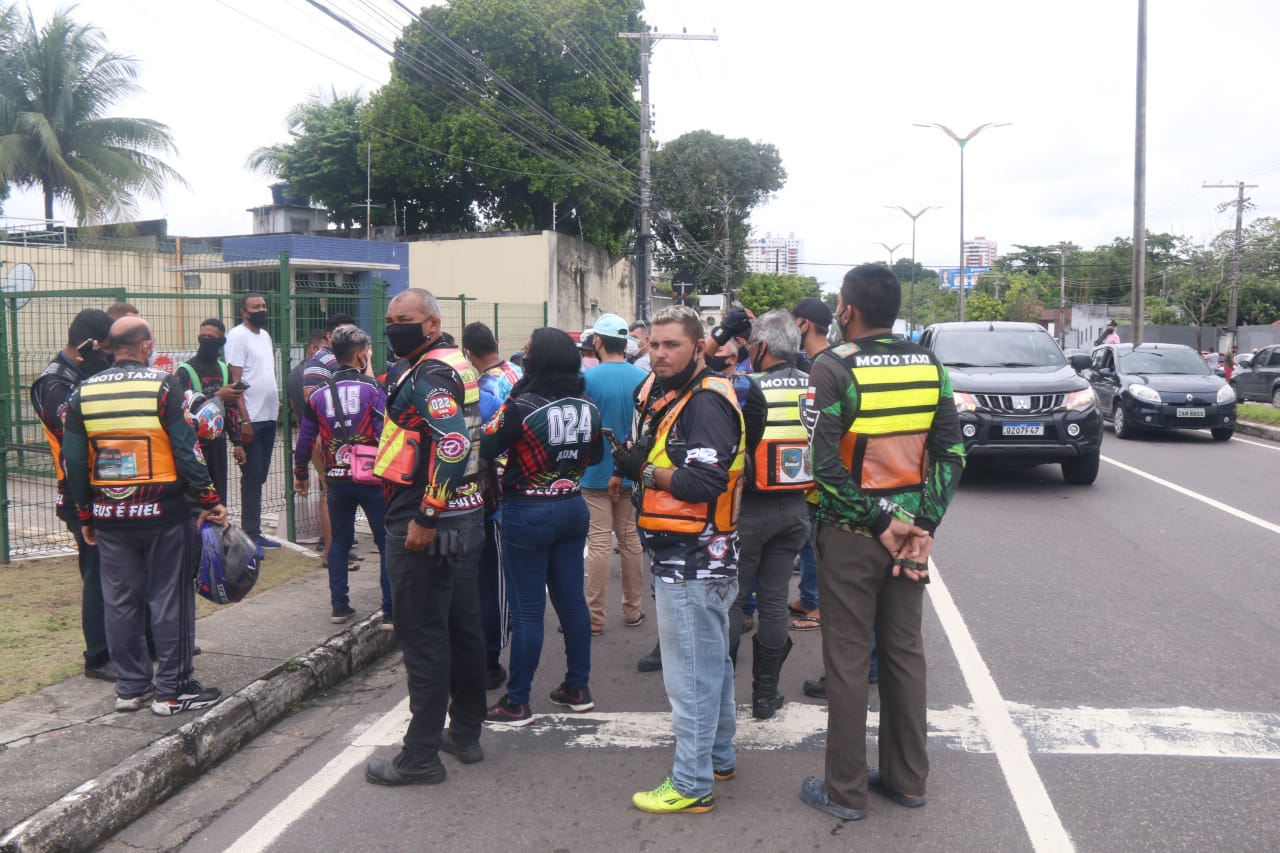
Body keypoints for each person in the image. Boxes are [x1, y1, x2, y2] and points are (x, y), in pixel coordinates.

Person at [798, 264, 965, 822]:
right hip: (911, 533)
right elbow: (951, 453)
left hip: (854, 534)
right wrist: (924, 526)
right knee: (904, 652)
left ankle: (844, 791)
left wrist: (877, 522)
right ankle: (906, 778)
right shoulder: (929, 363)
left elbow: (823, 468)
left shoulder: (832, 367)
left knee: (846, 660)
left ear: (846, 311)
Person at [611, 305, 745, 815]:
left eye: (672, 345)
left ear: (697, 348)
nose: (660, 353)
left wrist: (644, 472)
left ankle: (691, 784)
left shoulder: (707, 403)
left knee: (689, 675)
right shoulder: (661, 391)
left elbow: (701, 482)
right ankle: (719, 757)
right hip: (685, 552)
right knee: (711, 662)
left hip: (695, 557)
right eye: (655, 344)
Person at [62, 316, 227, 716]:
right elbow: (186, 448)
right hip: (163, 513)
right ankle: (172, 691)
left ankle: (130, 689)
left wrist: (86, 514)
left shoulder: (82, 392)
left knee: (120, 601)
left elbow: (76, 460)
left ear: (109, 348)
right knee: (169, 598)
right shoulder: (164, 385)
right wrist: (209, 498)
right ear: (145, 346)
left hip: (109, 515)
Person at [364, 288, 488, 787]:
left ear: (432, 324)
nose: (395, 327)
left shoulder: (430, 372)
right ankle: (465, 733)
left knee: (424, 639)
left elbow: (454, 444)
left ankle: (419, 757)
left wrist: (427, 514)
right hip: (468, 518)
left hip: (428, 526)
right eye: (391, 319)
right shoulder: (455, 360)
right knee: (463, 630)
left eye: (406, 320)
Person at [480, 328, 603, 726]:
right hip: (572, 506)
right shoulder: (588, 406)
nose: (523, 357)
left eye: (528, 352)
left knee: (528, 610)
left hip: (527, 511)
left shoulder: (522, 405)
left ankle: (517, 700)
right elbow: (597, 453)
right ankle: (577, 686)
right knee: (571, 602)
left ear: (540, 361)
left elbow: (486, 446)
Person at [727, 310, 812, 719]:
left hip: (748, 509)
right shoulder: (817, 387)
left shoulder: (744, 387)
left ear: (760, 348)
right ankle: (765, 697)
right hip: (797, 508)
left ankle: (722, 694)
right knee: (776, 601)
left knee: (734, 599)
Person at [31, 308, 117, 681]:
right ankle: (97, 656)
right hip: (78, 494)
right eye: (108, 349)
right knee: (97, 574)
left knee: (118, 573)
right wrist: (100, 375)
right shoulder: (53, 383)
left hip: (107, 488)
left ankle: (129, 643)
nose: (112, 356)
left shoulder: (81, 374)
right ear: (92, 345)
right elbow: (74, 428)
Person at [293, 326, 390, 625]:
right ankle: (390, 610)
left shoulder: (319, 396)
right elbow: (384, 435)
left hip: (336, 479)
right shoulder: (374, 391)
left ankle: (340, 606)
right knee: (385, 542)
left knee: (339, 542)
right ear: (362, 355)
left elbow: (305, 438)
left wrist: (300, 473)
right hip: (372, 480)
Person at [461, 321, 523, 689]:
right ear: (497, 344)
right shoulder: (516, 375)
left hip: (490, 491)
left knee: (489, 578)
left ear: (469, 355)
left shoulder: (481, 392)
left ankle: (488, 655)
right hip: (516, 484)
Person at [582, 313, 647, 635]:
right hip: (632, 472)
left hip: (594, 474)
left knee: (598, 545)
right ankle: (633, 611)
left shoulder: (588, 379)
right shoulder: (642, 377)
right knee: (631, 541)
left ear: (598, 341)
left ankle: (595, 618)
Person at [225, 293, 282, 552]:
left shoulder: (265, 335)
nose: (262, 309)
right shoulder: (237, 336)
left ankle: (255, 531)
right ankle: (250, 535)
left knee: (259, 476)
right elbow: (235, 383)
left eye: (263, 306)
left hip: (268, 416)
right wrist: (244, 421)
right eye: (255, 307)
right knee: (251, 476)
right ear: (243, 312)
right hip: (251, 420)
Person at [789, 297, 831, 636]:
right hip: (812, 477)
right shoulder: (819, 362)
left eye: (793, 322)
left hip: (821, 480)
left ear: (804, 325)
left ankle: (816, 605)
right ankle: (807, 597)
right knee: (807, 542)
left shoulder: (824, 366)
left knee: (815, 543)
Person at [176, 319, 244, 502]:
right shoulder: (185, 372)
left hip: (218, 445)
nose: (206, 340)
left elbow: (231, 408)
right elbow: (183, 410)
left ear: (221, 342)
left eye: (211, 337)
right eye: (202, 336)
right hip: (194, 448)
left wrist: (237, 442)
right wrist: (218, 395)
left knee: (219, 496)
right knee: (196, 498)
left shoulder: (224, 369)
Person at [286, 330, 329, 549]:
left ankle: (328, 541)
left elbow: (294, 408)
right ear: (313, 349)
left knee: (324, 488)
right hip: (324, 437)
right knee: (329, 491)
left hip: (307, 434)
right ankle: (329, 542)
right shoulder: (317, 373)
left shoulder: (293, 373)